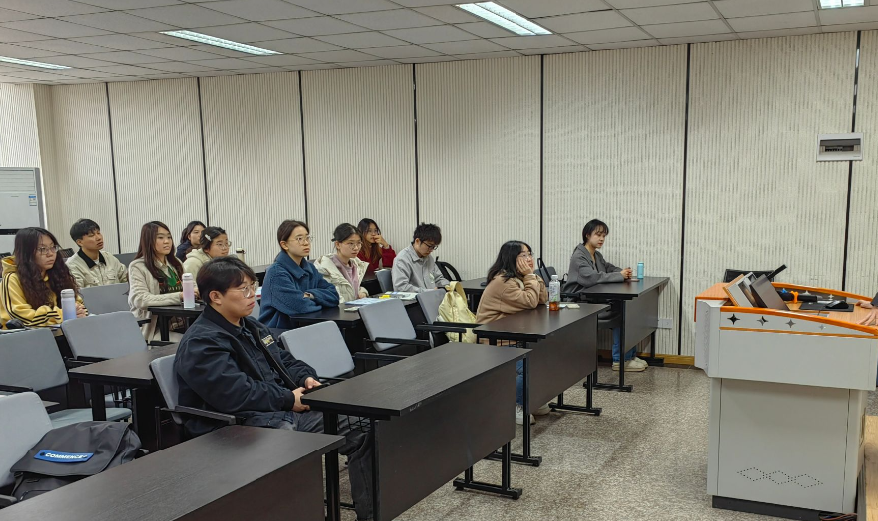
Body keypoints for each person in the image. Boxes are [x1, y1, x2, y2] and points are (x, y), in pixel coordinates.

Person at [174, 257, 373, 520]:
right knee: (289, 444)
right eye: (243, 289)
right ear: (216, 297)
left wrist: (306, 378)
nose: (252, 295)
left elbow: (285, 360)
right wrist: (288, 399)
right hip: (236, 424)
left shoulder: (251, 326)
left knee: (362, 425)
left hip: (277, 410)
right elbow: (235, 394)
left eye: (252, 286)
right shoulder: (202, 342)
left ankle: (370, 514)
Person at [476, 240, 548, 425]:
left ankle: (531, 400)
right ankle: (516, 405)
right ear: (511, 258)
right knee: (528, 365)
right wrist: (530, 276)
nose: (529, 258)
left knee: (545, 356)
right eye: (523, 255)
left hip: (512, 336)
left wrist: (532, 276)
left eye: (529, 254)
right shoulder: (504, 282)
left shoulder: (519, 278)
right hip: (495, 342)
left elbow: (542, 299)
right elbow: (530, 301)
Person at [563, 219, 646, 373]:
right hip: (579, 304)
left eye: (604, 236)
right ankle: (620, 360)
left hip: (592, 299)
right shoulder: (579, 257)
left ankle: (629, 356)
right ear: (587, 235)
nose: (601, 239)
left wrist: (622, 271)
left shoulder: (596, 254)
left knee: (629, 308)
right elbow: (592, 278)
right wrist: (619, 276)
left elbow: (607, 267)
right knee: (622, 311)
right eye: (598, 235)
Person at [259, 220, 339, 329]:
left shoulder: (310, 268)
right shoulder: (276, 274)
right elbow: (300, 307)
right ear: (284, 245)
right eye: (299, 239)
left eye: (307, 238)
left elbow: (334, 296)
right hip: (279, 332)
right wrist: (322, 301)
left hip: (307, 328)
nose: (306, 243)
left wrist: (309, 295)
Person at [1, 227, 86, 329]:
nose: (50, 254)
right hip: (22, 335)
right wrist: (63, 314)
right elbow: (22, 317)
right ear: (26, 253)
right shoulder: (12, 278)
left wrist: (78, 311)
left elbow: (78, 304)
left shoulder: (57, 273)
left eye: (53, 247)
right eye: (42, 249)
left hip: (59, 331)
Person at [129, 221, 193, 341]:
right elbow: (141, 299)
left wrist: (195, 291)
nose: (167, 241)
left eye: (169, 237)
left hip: (183, 324)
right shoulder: (138, 266)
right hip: (154, 329)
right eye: (160, 237)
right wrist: (179, 296)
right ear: (148, 240)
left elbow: (190, 287)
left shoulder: (176, 263)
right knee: (189, 342)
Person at [65, 218, 128, 289]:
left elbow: (126, 281)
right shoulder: (72, 265)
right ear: (80, 242)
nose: (99, 238)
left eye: (98, 233)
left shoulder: (109, 258)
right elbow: (77, 293)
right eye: (91, 235)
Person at [316, 223, 369, 303]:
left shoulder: (356, 265)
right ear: (337, 244)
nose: (356, 248)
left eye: (359, 243)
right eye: (351, 243)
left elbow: (351, 289)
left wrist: (362, 292)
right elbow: (330, 296)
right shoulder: (324, 268)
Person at [391, 223, 449, 293]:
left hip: (432, 296)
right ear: (417, 241)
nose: (431, 250)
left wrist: (449, 286)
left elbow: (438, 279)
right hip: (415, 299)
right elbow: (401, 288)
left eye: (434, 247)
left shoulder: (428, 258)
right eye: (429, 246)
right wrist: (429, 292)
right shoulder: (402, 259)